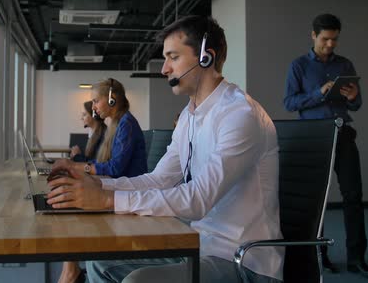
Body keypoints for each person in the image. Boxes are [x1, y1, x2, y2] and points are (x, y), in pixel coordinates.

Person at [47, 15, 284, 283]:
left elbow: (198, 199)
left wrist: (106, 200)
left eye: (173, 57)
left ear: (206, 57)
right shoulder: (188, 117)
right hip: (196, 244)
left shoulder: (240, 114)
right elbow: (159, 180)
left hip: (243, 260)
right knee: (99, 261)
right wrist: (96, 186)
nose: (164, 69)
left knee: (138, 282)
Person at [283, 13, 368, 278]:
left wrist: (354, 96)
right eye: (325, 39)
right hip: (314, 138)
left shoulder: (345, 64)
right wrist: (319, 93)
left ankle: (357, 259)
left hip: (342, 133)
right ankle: (318, 257)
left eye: (334, 39)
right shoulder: (298, 66)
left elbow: (356, 105)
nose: (330, 44)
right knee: (316, 202)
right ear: (313, 36)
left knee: (353, 197)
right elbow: (290, 103)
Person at [53, 78, 148, 283]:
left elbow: (115, 168)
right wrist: (79, 167)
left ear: (112, 100)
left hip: (127, 194)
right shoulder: (116, 124)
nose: (94, 106)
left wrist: (80, 166)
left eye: (96, 101)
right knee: (70, 201)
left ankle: (70, 273)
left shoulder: (126, 124)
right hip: (116, 188)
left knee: (71, 206)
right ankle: (70, 271)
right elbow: (107, 165)